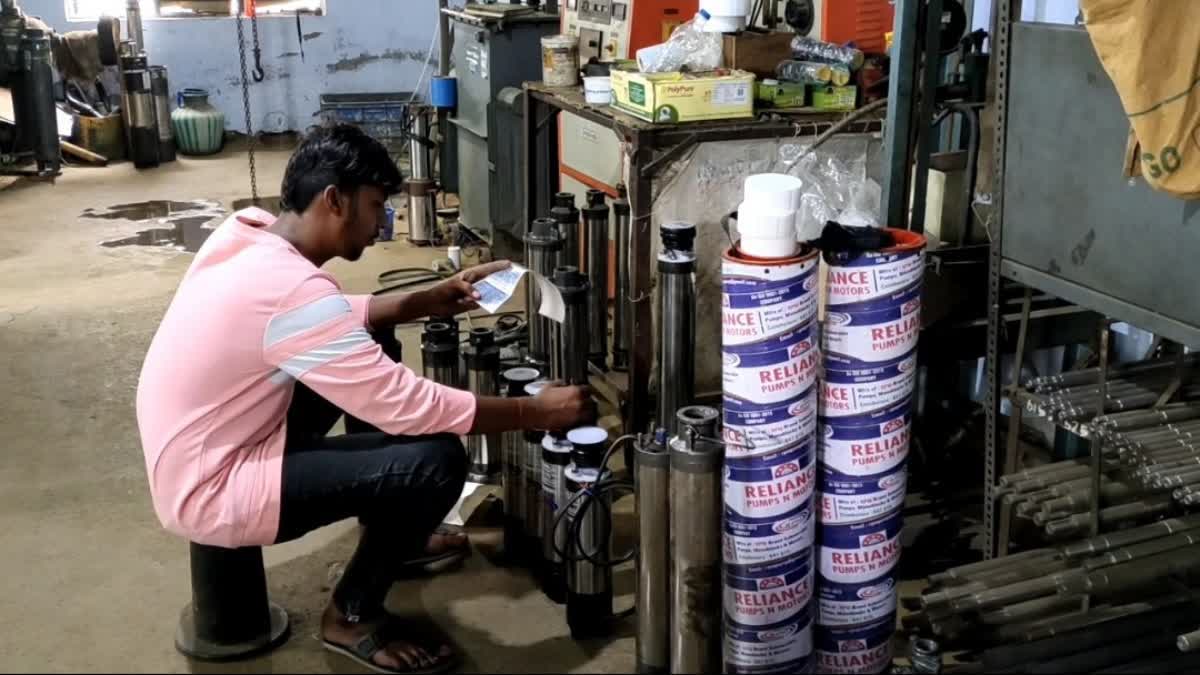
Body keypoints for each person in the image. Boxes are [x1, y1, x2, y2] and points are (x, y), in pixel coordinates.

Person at [136, 124, 593, 674]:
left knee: (372, 336)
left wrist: (420, 303)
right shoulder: (292, 289)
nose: (383, 225)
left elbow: (306, 323)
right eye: (376, 206)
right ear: (334, 200)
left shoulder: (249, 231)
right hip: (211, 484)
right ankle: (351, 613)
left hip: (202, 442)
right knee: (435, 461)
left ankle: (393, 530)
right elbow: (407, 404)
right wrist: (534, 412)